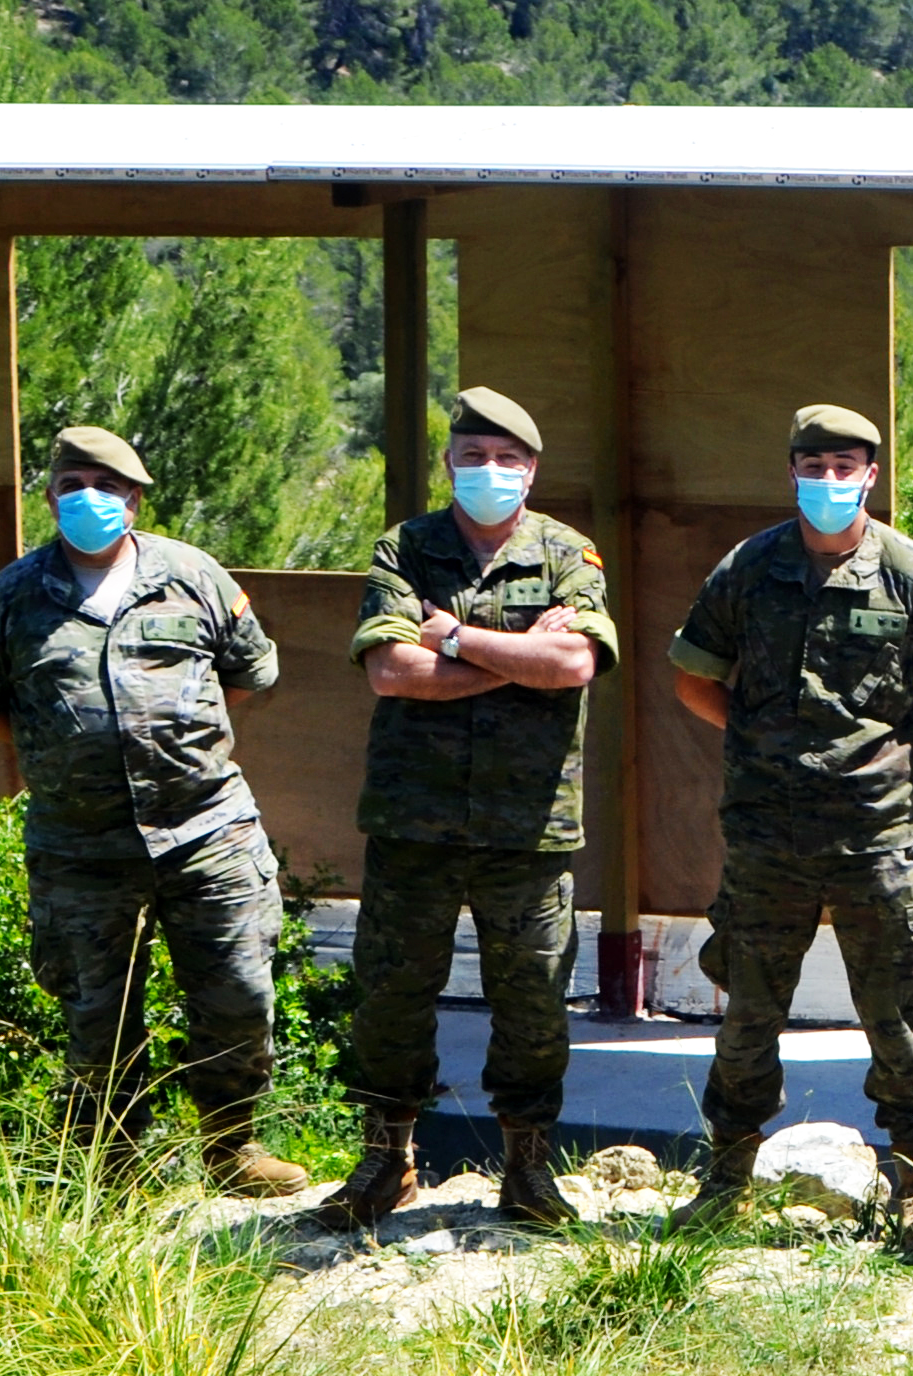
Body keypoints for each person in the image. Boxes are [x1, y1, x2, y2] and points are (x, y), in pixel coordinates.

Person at [0, 426, 309, 1196]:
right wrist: (67, 755)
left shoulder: (194, 576)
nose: (90, 500)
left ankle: (231, 1148)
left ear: (136, 501)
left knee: (238, 994)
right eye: (73, 484)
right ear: (49, 497)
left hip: (206, 830)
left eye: (109, 488)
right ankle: (110, 1167)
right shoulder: (9, 597)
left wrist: (173, 751)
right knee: (97, 1018)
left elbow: (249, 677)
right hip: (80, 845)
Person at [665, 404, 913, 1253]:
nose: (830, 484)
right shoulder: (751, 568)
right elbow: (694, 677)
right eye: (815, 469)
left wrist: (893, 743)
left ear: (871, 476)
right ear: (793, 474)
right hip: (767, 837)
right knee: (747, 1014)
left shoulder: (912, 572)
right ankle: (726, 1176)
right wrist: (755, 735)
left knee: (894, 1015)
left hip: (871, 834)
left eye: (847, 469)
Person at [317, 388, 618, 1231]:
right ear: (449, 462)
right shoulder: (405, 547)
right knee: (391, 996)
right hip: (415, 820)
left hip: (529, 827)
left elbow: (576, 665)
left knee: (532, 1003)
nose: (490, 472)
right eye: (473, 456)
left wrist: (451, 637)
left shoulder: (568, 552)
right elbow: (389, 673)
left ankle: (527, 1169)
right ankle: (386, 1159)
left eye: (508, 459)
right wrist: (521, 657)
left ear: (531, 470)